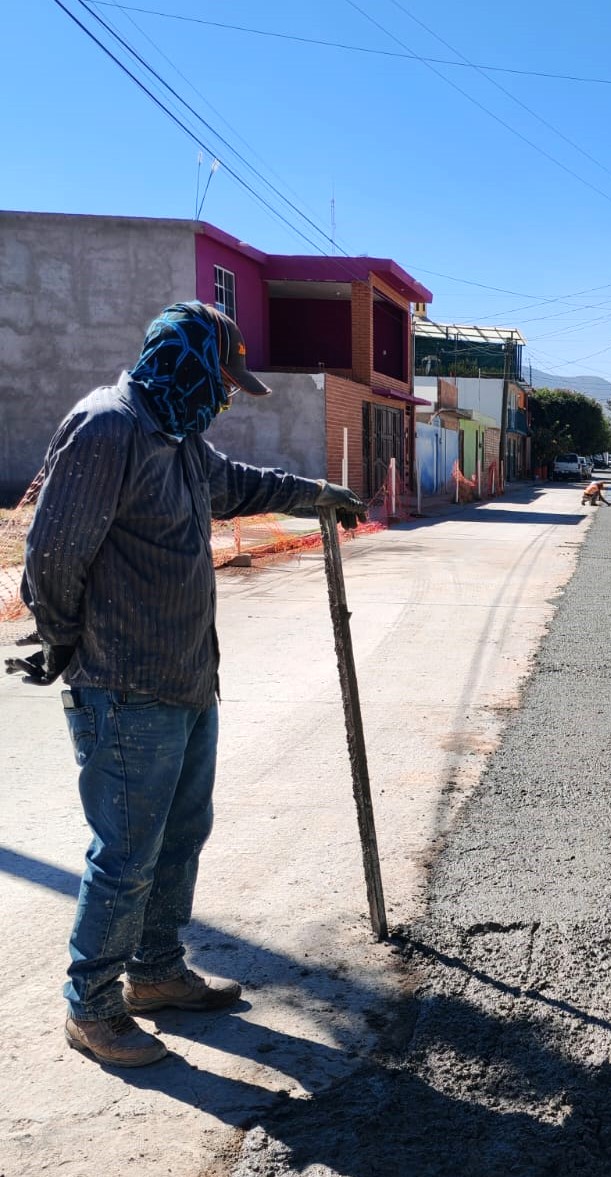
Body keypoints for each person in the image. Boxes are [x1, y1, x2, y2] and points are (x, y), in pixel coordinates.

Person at [5, 302, 365, 1068]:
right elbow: (53, 556)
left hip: (188, 678)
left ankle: (156, 972)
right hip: (125, 686)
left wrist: (316, 495)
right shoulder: (109, 429)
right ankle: (92, 1007)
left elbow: (235, 484)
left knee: (180, 836)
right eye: (221, 379)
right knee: (127, 853)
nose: (226, 396)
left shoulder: (176, 436)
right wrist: (66, 641)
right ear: (187, 364)